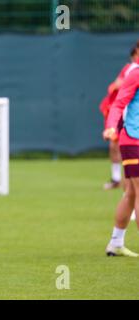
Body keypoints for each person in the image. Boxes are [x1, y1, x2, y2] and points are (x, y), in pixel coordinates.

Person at [103, 42, 139, 257]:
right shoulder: (134, 73)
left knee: (132, 192)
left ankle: (116, 241)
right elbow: (118, 103)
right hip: (134, 139)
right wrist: (110, 127)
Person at [100, 43, 139, 190]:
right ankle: (118, 180)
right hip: (129, 125)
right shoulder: (132, 70)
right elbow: (114, 88)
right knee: (116, 148)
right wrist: (111, 125)